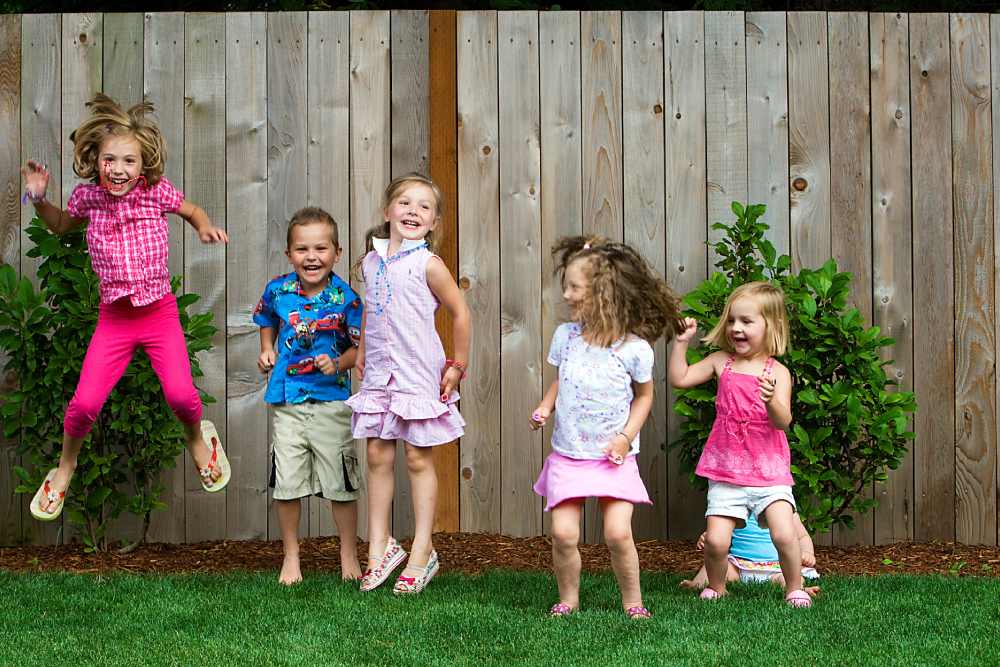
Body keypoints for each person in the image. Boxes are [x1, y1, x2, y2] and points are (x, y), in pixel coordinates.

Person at [22, 93, 229, 522]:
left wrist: (205, 226)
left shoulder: (156, 193)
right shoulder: (89, 199)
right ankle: (65, 468)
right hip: (114, 320)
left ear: (143, 164)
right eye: (110, 160)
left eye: (129, 161)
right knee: (83, 405)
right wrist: (40, 200)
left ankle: (197, 439)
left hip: (158, 314)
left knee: (183, 396)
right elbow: (61, 226)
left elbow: (191, 210)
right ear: (95, 160)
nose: (118, 170)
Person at [530, 236, 684, 619]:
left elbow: (644, 396)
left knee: (617, 534)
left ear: (604, 294)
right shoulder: (566, 337)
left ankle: (634, 603)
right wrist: (546, 406)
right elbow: (560, 379)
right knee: (564, 534)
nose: (566, 294)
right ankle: (568, 599)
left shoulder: (633, 348)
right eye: (565, 285)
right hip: (569, 454)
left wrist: (625, 436)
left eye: (574, 287)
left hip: (613, 457)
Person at [346, 173, 470, 595]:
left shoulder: (429, 264)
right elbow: (369, 310)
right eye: (404, 203)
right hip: (381, 372)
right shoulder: (369, 261)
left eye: (423, 207)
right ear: (387, 212)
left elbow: (460, 312)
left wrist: (458, 364)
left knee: (418, 458)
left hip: (419, 372)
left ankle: (423, 549)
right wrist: (361, 351)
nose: (413, 211)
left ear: (434, 222)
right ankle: (379, 546)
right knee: (378, 453)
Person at [669, 281, 812, 607]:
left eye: (747, 322)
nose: (736, 328)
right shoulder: (722, 362)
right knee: (717, 542)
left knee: (783, 533)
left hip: (769, 472)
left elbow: (783, 421)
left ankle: (794, 587)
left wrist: (771, 400)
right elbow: (681, 378)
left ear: (771, 326)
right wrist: (680, 344)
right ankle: (717, 587)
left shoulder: (778, 372)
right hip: (727, 471)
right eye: (732, 320)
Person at [255, 207, 364, 584]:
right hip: (287, 401)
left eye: (320, 248)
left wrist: (339, 363)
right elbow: (266, 318)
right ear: (289, 254)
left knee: (341, 483)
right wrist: (266, 348)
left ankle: (348, 553)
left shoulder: (347, 299)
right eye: (302, 249)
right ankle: (291, 555)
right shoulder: (278, 291)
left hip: (331, 401)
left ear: (336, 252)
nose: (311, 257)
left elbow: (356, 350)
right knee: (286, 482)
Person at [680, 512, 820, 595]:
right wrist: (707, 536)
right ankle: (697, 583)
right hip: (739, 564)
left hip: (777, 566)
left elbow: (802, 536)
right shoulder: (735, 509)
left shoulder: (783, 509)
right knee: (715, 566)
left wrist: (807, 552)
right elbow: (721, 532)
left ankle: (798, 590)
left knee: (790, 575)